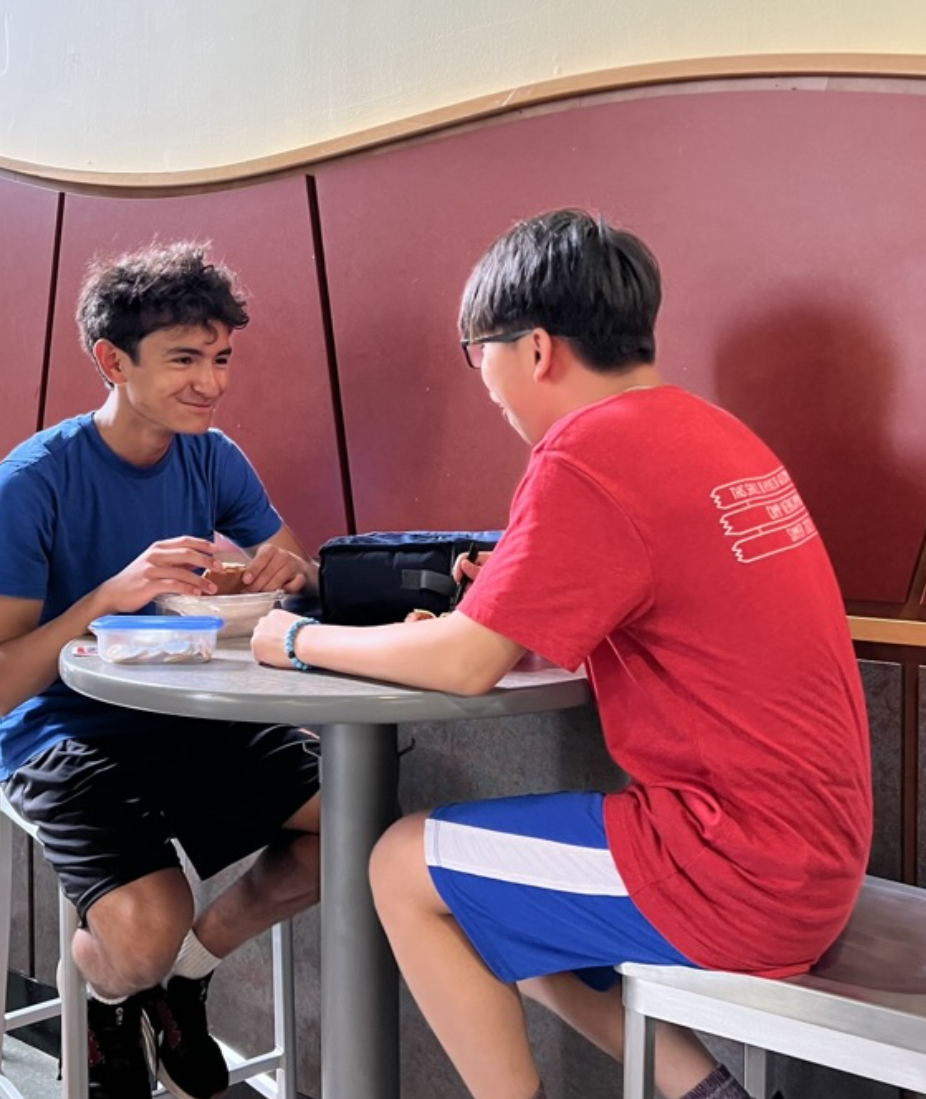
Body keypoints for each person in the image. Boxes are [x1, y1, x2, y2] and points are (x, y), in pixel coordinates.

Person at [252, 210, 872, 1099]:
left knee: (401, 863)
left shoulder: (586, 451)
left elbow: (468, 664)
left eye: (480, 356)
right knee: (490, 891)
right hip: (815, 852)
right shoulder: (710, 431)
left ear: (535, 349)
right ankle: (709, 1096)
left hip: (735, 868)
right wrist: (482, 614)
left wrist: (296, 638)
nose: (488, 387)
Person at [0, 241, 321, 1099]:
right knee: (139, 934)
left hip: (191, 713)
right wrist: (108, 596)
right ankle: (108, 985)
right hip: (59, 734)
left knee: (355, 824)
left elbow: (286, 554)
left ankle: (185, 976)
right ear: (112, 361)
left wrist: (287, 569)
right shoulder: (32, 482)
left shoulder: (212, 455)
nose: (212, 382)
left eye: (222, 358)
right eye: (185, 360)